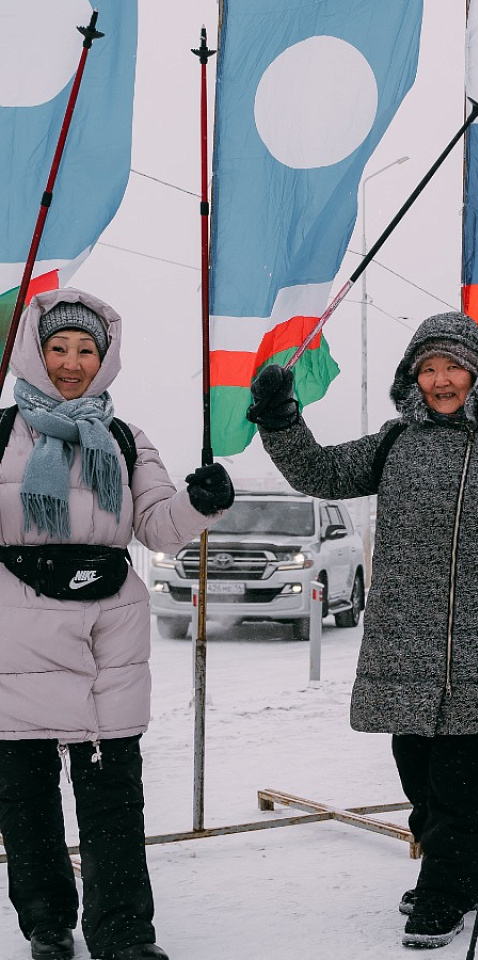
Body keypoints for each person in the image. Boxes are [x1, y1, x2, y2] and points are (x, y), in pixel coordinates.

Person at [245, 311, 478, 949]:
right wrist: (282, 419)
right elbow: (318, 472)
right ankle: (464, 867)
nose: (441, 380)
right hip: (407, 637)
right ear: (412, 377)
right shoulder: (394, 442)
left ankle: (443, 891)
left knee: (463, 775)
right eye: (428, 368)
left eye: (453, 366)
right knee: (417, 769)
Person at [0, 290, 233, 960]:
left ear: (105, 360)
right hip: (15, 636)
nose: (72, 362)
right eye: (59, 347)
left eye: (86, 350)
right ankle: (46, 920)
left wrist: (199, 504)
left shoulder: (128, 440)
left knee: (113, 797)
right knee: (25, 798)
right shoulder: (2, 433)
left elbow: (160, 529)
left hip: (108, 637)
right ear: (35, 353)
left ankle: (124, 933)